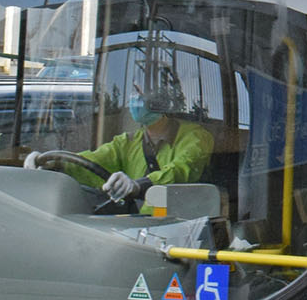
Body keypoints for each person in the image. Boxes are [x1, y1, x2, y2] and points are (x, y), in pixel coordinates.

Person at [26, 68, 211, 209]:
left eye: (140, 93)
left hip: (180, 228)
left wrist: (138, 186)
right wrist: (54, 163)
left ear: (161, 99)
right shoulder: (129, 142)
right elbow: (93, 161)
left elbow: (180, 171)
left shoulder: (196, 137)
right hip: (135, 227)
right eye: (133, 93)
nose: (133, 99)